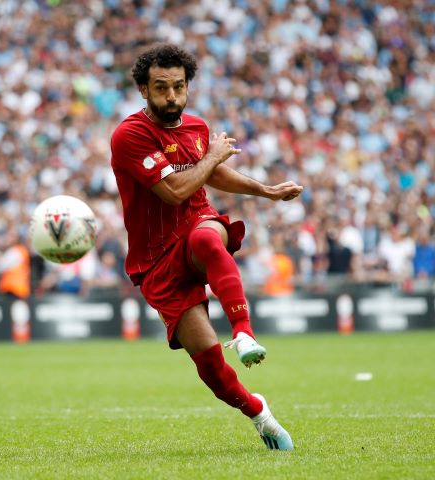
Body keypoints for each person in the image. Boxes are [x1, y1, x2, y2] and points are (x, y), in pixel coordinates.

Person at [110, 44, 304, 451]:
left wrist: (266, 191)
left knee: (205, 237)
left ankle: (244, 333)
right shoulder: (130, 135)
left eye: (179, 86)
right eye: (161, 88)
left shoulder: (196, 128)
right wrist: (212, 156)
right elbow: (174, 190)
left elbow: (212, 175)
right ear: (143, 90)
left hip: (197, 226)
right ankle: (260, 413)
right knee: (212, 367)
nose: (172, 96)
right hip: (155, 260)